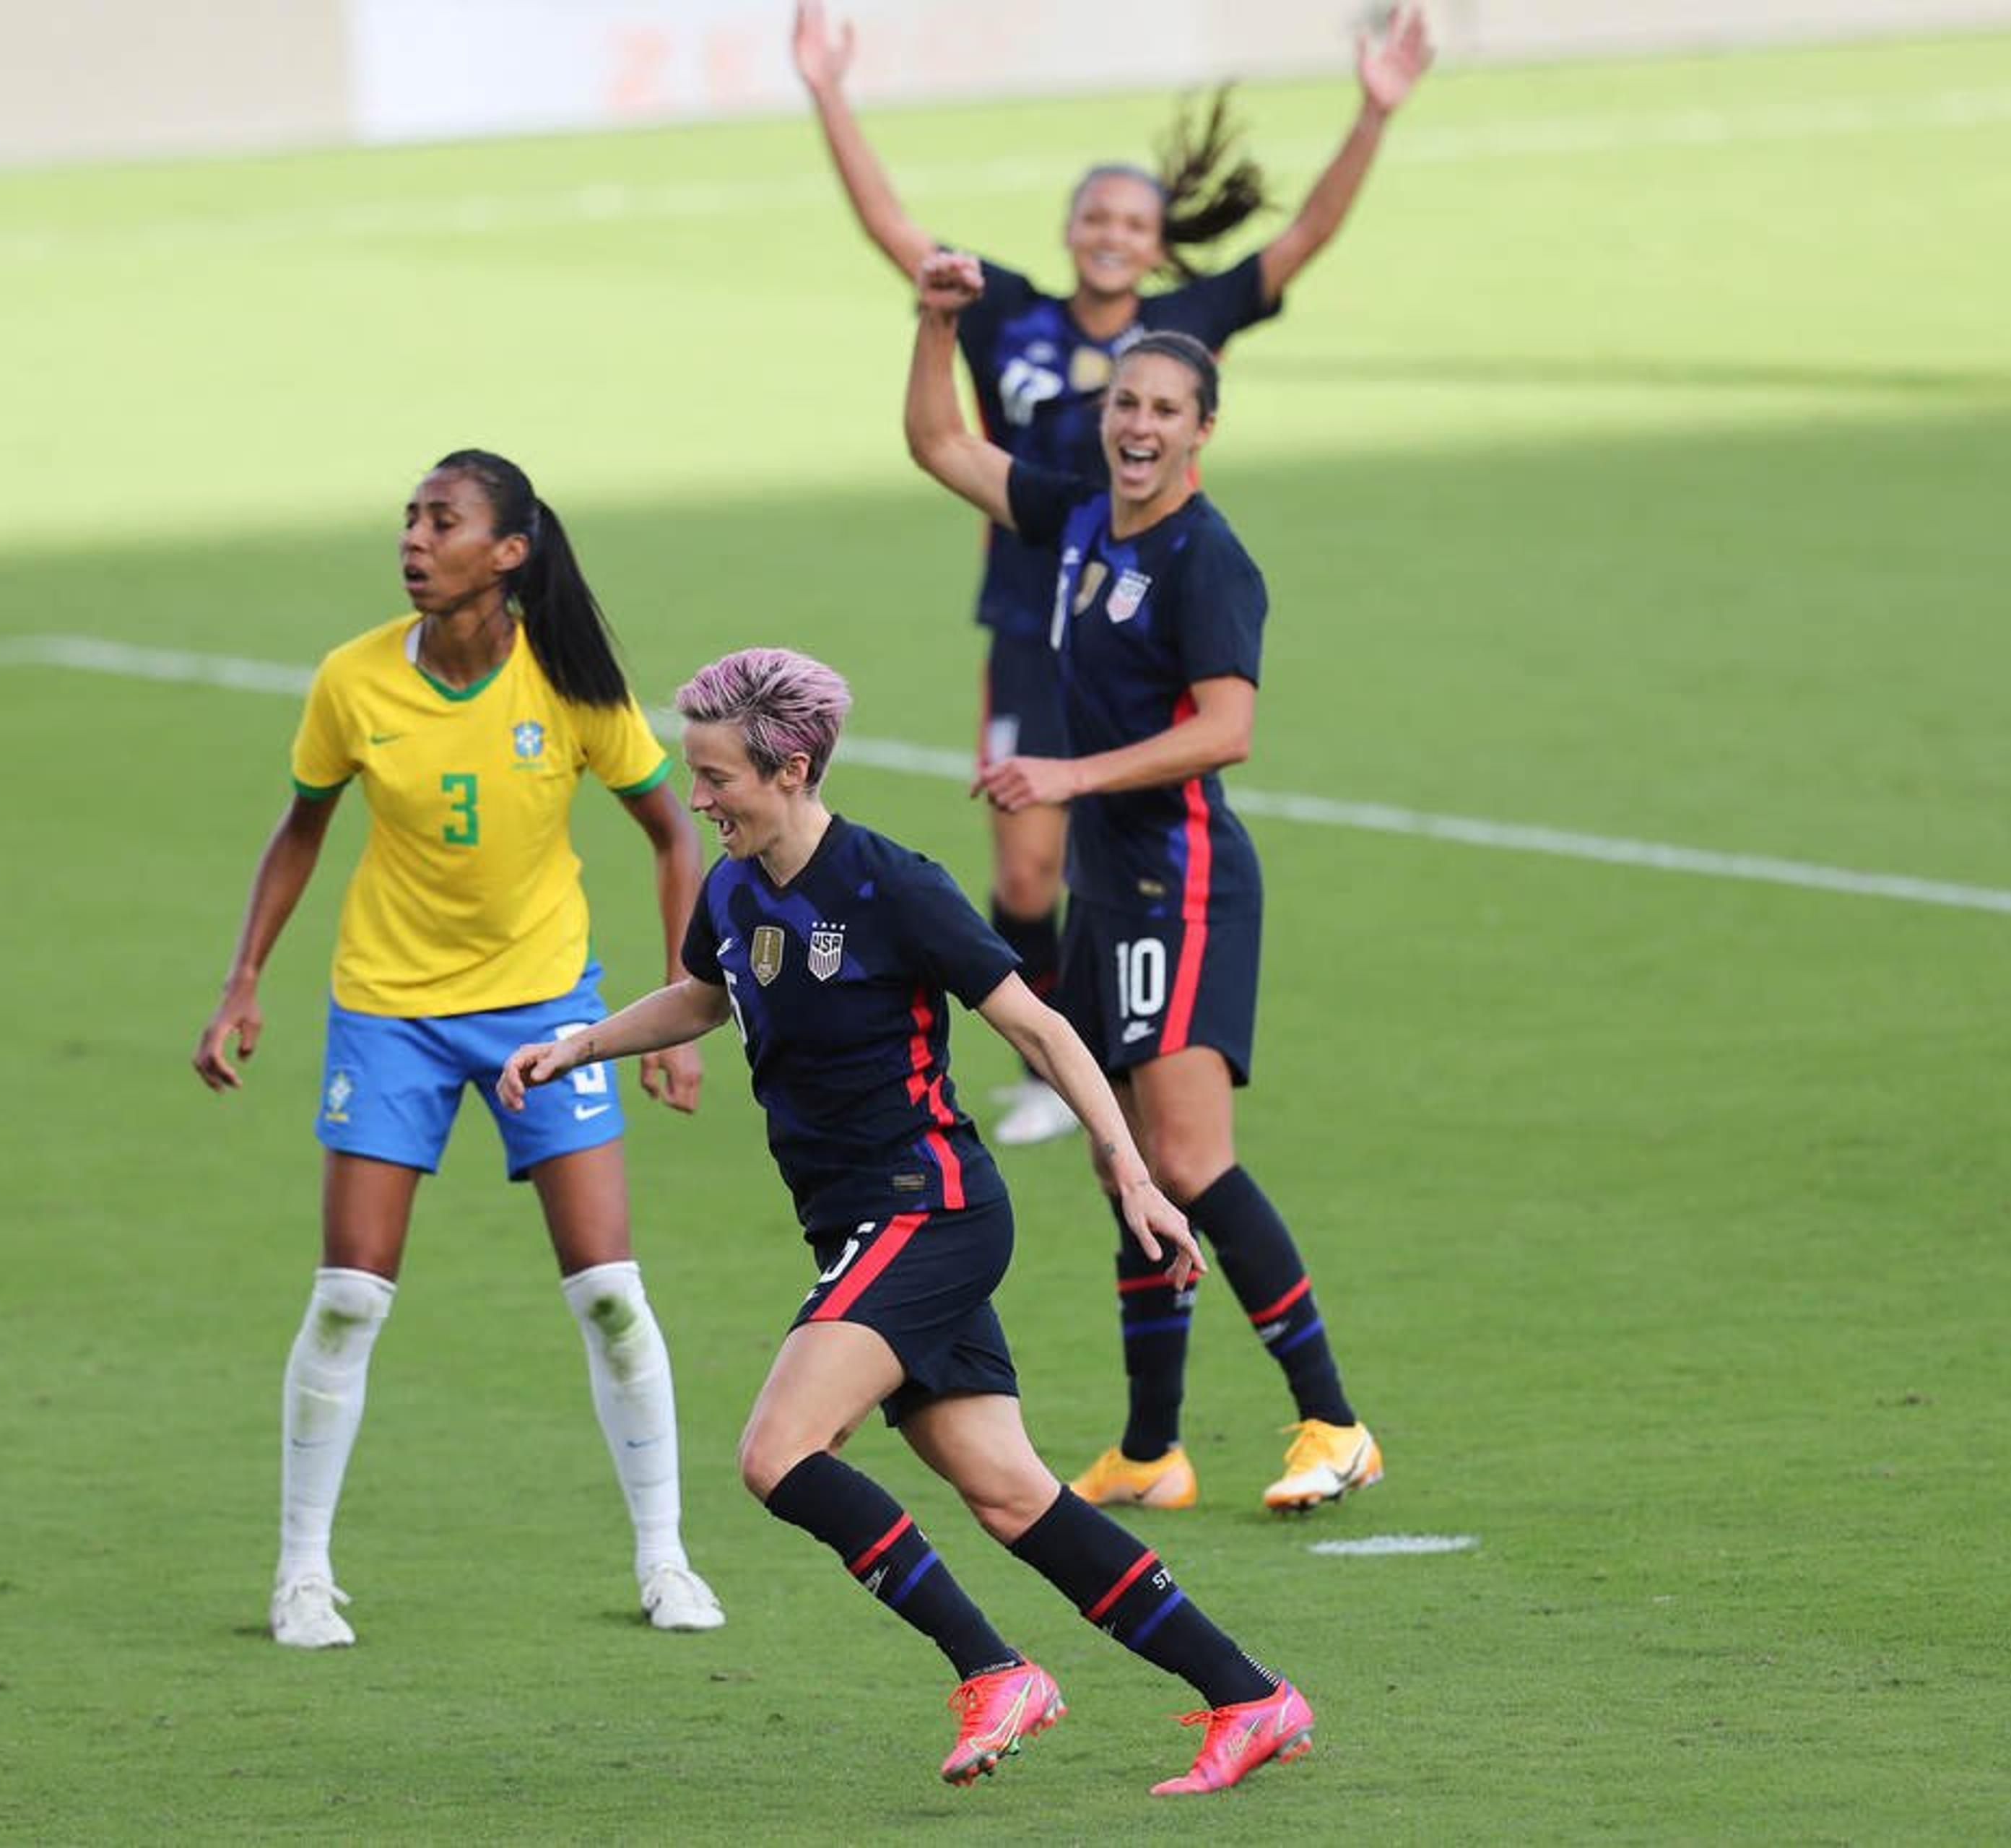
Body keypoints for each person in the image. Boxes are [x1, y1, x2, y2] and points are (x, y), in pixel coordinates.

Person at [496, 647, 1315, 1797]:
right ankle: (1251, 1694)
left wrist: (1129, 1171)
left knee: (777, 1452)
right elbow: (705, 991)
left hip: (928, 1209)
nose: (699, 798)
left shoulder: (892, 884)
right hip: (855, 1228)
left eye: (718, 776)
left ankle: (994, 1668)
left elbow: (1043, 1030)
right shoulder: (731, 887)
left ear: (789, 768)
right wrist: (578, 1039)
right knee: (1009, 1490)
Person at [792, 0, 1433, 1146]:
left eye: (1133, 220)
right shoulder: (1015, 316)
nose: (1112, 233)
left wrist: (1373, 113)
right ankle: (1055, 1056)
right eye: (1096, 214)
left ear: (1156, 241)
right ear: (1073, 226)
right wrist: (828, 91)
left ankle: (1098, 1053)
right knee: (1026, 869)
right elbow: (899, 236)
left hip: (1132, 640)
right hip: (1025, 624)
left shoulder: (1182, 332)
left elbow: (1303, 242)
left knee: (1115, 843)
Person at [193, 448, 724, 1645]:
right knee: (347, 1296)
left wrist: (681, 998)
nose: (415, 539)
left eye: (444, 521)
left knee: (611, 1295)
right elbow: (301, 827)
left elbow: (673, 832)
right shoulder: (353, 679)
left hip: (549, 1013)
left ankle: (665, 1558)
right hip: (388, 1010)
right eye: (410, 519)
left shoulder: (573, 685)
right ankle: (301, 1574)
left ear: (510, 551)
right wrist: (243, 980)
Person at [902, 251, 1383, 1514]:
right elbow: (942, 443)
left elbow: (1227, 728)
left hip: (1184, 879)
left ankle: (1332, 1417)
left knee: (1189, 1154)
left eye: (1167, 409)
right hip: (1112, 890)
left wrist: (1066, 777)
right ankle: (1152, 1446)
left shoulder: (1205, 558)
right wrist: (934, 321)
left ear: (1203, 432)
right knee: (1130, 1160)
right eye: (1127, 402)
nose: (1140, 424)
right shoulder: (1070, 513)